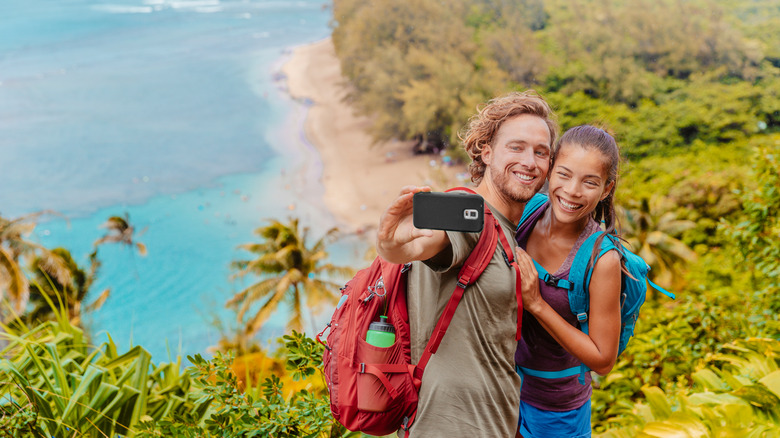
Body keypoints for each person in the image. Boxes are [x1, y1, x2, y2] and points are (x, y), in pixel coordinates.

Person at [376, 90, 559, 437]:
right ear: (486, 152)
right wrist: (391, 243)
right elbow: (429, 240)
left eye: (541, 152)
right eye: (516, 147)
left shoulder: (508, 231)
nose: (530, 162)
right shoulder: (468, 212)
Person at [513, 125, 624, 438]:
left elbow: (603, 360)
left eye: (590, 182)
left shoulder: (601, 260)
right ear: (549, 170)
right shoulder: (525, 212)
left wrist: (537, 304)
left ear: (606, 189)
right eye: (563, 174)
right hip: (504, 386)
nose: (573, 190)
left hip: (557, 409)